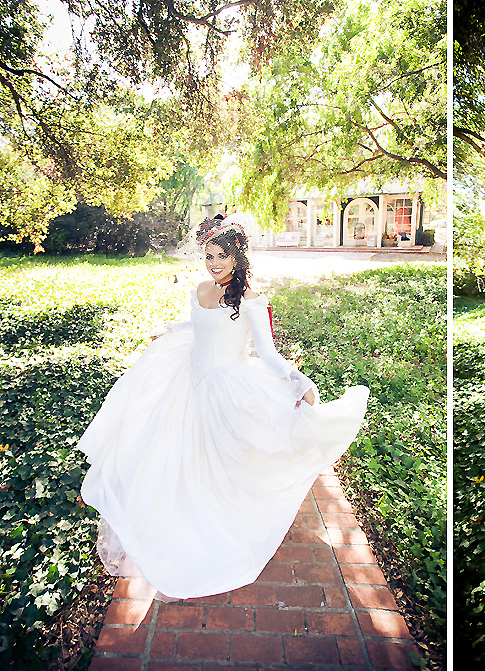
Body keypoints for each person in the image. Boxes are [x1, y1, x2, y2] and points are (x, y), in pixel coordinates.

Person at [77, 216, 369, 600]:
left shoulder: (251, 301)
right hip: (188, 382)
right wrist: (171, 329)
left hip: (226, 384)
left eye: (222, 256)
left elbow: (266, 352)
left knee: (226, 454)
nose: (213, 263)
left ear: (237, 257)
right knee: (175, 452)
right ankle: (177, 520)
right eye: (208, 256)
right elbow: (199, 326)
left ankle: (225, 517)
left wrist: (299, 380)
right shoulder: (201, 289)